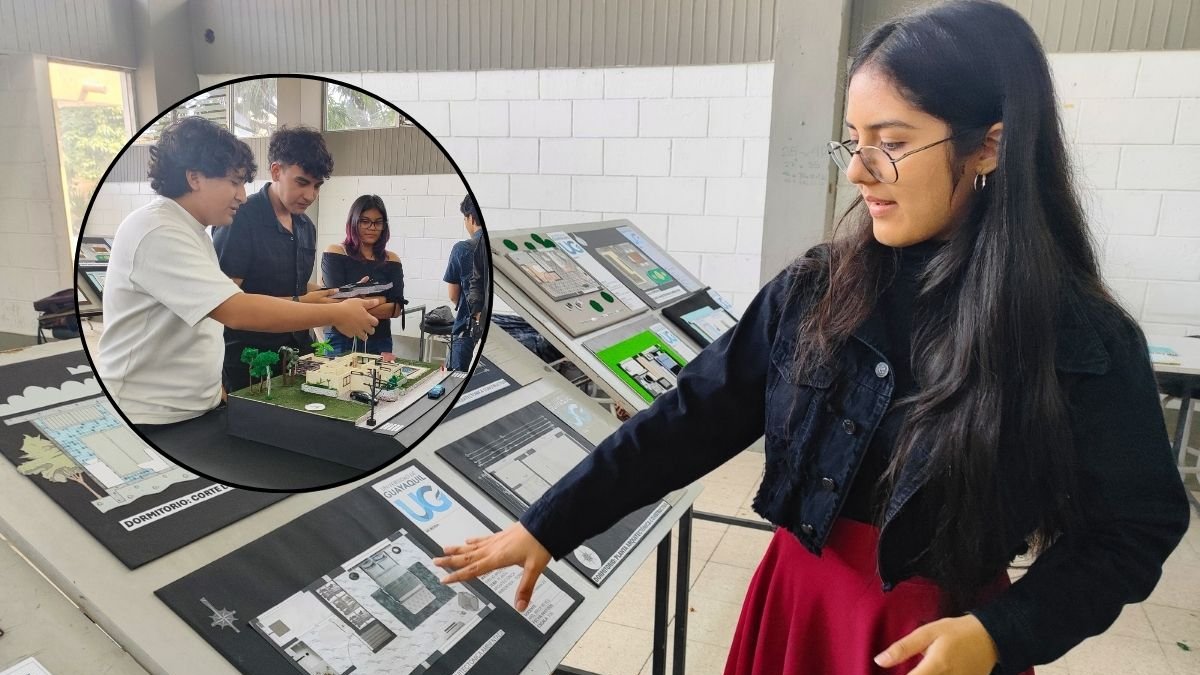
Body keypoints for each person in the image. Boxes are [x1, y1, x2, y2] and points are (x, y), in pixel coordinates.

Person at [432, 3, 1190, 674]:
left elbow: (1135, 525)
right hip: (795, 606)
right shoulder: (819, 289)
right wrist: (548, 523)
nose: (859, 171)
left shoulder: (1076, 334)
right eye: (852, 139)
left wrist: (1002, 632)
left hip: (939, 641)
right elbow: (691, 418)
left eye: (890, 142)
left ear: (989, 145)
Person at [97, 117, 380, 426]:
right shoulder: (158, 230)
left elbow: (205, 320)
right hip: (152, 414)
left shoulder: (192, 232)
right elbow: (234, 309)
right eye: (234, 182)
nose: (242, 195)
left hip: (193, 406)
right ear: (195, 178)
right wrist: (335, 313)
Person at [213, 125, 334, 392]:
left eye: (317, 186)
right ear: (277, 171)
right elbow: (222, 304)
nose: (310, 195)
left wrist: (335, 295)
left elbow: (295, 283)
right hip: (249, 360)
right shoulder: (239, 219)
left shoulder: (306, 228)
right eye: (302, 182)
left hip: (299, 352)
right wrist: (304, 303)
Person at [321, 195, 405, 355]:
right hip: (341, 339)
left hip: (380, 340)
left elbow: (396, 309)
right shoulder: (335, 252)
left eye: (378, 222)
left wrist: (354, 300)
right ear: (353, 222)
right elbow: (335, 302)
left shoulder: (392, 259)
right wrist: (382, 299)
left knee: (380, 380)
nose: (372, 227)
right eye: (365, 221)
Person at [442, 195, 484, 370]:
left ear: (471, 218)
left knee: (454, 383)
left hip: (467, 330)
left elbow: (453, 296)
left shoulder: (463, 248)